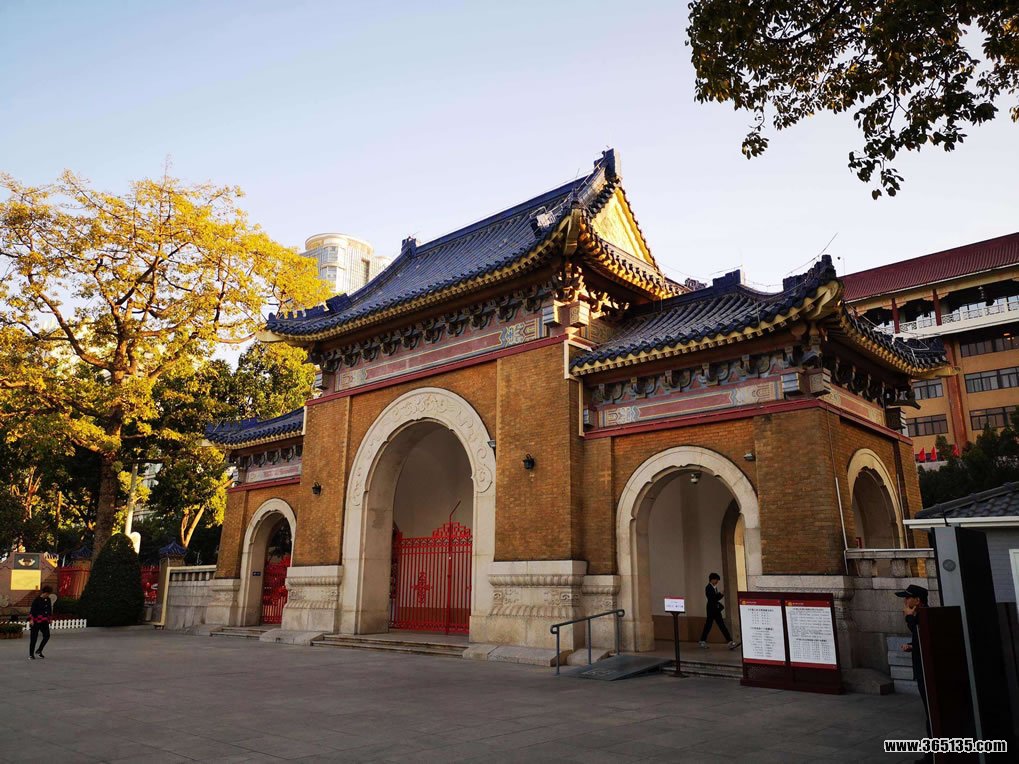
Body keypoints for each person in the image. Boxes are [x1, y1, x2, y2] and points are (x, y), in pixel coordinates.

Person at [896, 584, 931, 762]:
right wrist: (912, 646)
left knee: (931, 714)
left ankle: (932, 755)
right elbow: (921, 640)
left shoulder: (923, 617)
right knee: (929, 714)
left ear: (917, 600)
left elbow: (922, 634)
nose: (905, 601)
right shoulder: (920, 617)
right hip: (922, 671)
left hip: (927, 673)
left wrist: (909, 618)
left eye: (908, 598)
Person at [699, 573, 740, 650]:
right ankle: (702, 641)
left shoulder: (714, 587)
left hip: (715, 609)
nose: (717, 581)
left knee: (720, 625)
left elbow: (715, 598)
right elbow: (713, 598)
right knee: (709, 625)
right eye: (716, 580)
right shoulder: (708, 587)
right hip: (711, 609)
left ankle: (730, 641)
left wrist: (720, 594)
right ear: (712, 579)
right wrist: (720, 594)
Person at [29, 585, 53, 659]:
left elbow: (49, 610)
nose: (48, 595)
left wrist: (50, 619)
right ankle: (31, 654)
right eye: (48, 594)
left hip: (44, 621)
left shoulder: (48, 600)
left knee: (47, 636)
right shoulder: (37, 600)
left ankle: (39, 650)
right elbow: (32, 610)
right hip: (36, 621)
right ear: (45, 593)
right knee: (34, 638)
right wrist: (31, 619)